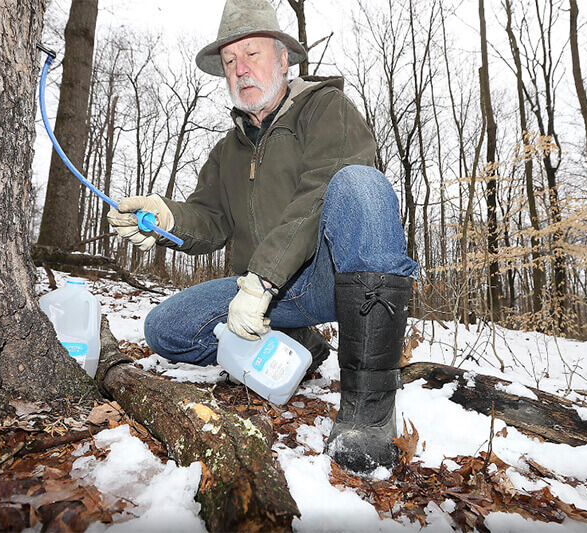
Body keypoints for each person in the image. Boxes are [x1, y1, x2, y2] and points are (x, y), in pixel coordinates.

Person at [108, 0, 418, 473]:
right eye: (230, 61)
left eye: (251, 54)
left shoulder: (326, 109)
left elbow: (322, 188)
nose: (240, 69)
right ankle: (298, 340)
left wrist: (263, 279)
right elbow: (210, 219)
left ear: (283, 59)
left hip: (330, 275)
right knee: (165, 329)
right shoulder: (225, 150)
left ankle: (369, 413)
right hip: (264, 295)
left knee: (362, 185)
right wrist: (167, 217)